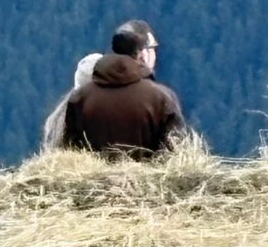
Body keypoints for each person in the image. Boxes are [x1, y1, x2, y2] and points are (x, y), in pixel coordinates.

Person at [58, 19, 185, 158]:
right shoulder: (161, 98)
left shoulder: (81, 97)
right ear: (143, 54)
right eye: (153, 48)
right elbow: (176, 151)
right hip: (146, 172)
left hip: (93, 172)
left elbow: (69, 149)